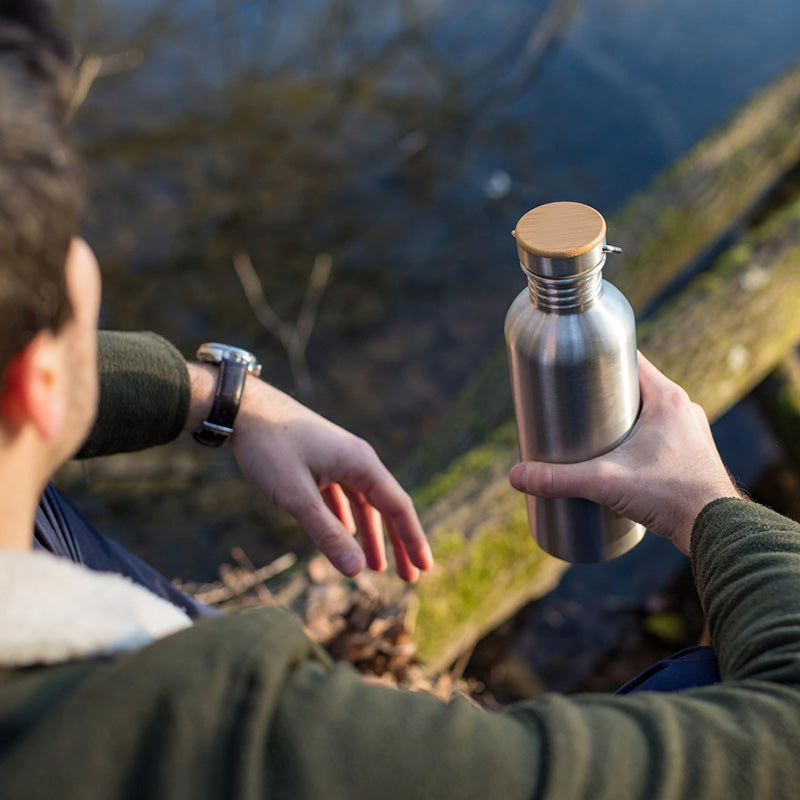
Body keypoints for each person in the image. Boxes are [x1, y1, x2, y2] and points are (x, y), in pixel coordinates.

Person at [2, 3, 800, 798]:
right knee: (703, 675)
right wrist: (711, 504)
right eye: (74, 240)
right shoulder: (247, 739)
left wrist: (216, 396)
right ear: (34, 382)